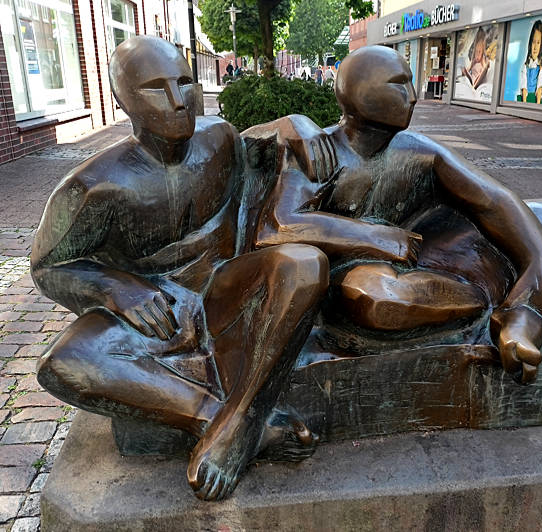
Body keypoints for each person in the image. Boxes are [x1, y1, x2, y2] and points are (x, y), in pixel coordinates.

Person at [31, 36, 328, 501]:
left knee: (305, 264)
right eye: (155, 88)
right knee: (65, 362)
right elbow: (48, 267)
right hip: (157, 308)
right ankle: (223, 422)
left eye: (185, 82)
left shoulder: (221, 140)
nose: (177, 101)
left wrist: (299, 122)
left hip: (223, 290)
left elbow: (270, 139)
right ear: (121, 98)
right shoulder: (93, 185)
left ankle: (237, 420)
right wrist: (116, 289)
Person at [244, 45, 542, 385]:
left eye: (410, 82)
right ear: (359, 91)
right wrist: (376, 237)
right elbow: (277, 226)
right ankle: (494, 306)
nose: (414, 96)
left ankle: (518, 313)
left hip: (438, 260)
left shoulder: (419, 152)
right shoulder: (320, 152)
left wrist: (534, 311)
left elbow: (495, 201)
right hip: (362, 275)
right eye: (399, 83)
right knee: (375, 296)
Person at [519, 20, 542, 104]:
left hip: (535, 100)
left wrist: (537, 105)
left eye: (538, 43)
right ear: (530, 43)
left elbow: (539, 87)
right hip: (526, 99)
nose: (535, 47)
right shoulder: (525, 66)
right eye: (533, 42)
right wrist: (525, 103)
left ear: (541, 44)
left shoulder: (541, 66)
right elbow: (524, 86)